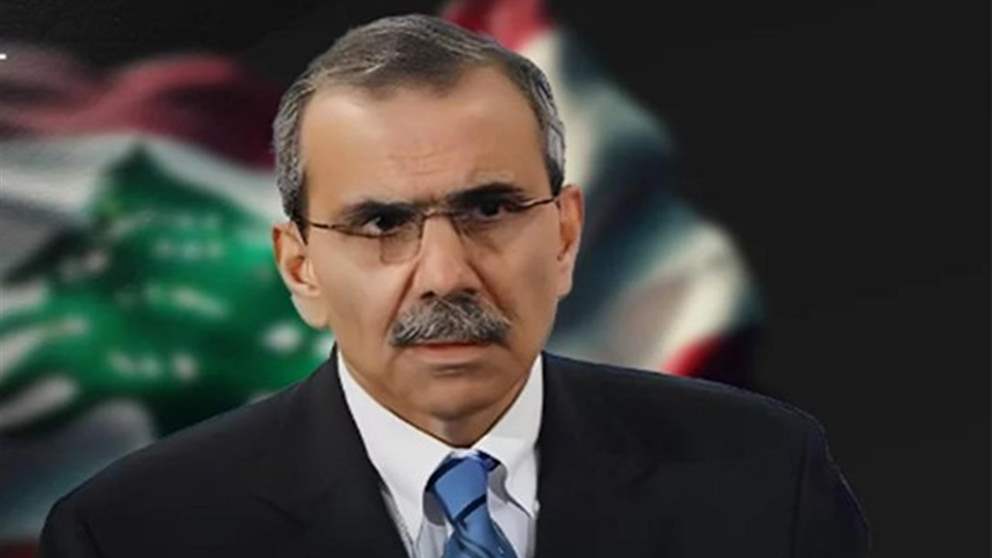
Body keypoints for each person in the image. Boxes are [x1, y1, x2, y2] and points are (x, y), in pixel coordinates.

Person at [39, 14, 868, 557]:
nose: (444, 275)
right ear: (300, 267)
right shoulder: (131, 535)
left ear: (565, 235)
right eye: (380, 223)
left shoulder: (765, 478)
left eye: (491, 209)